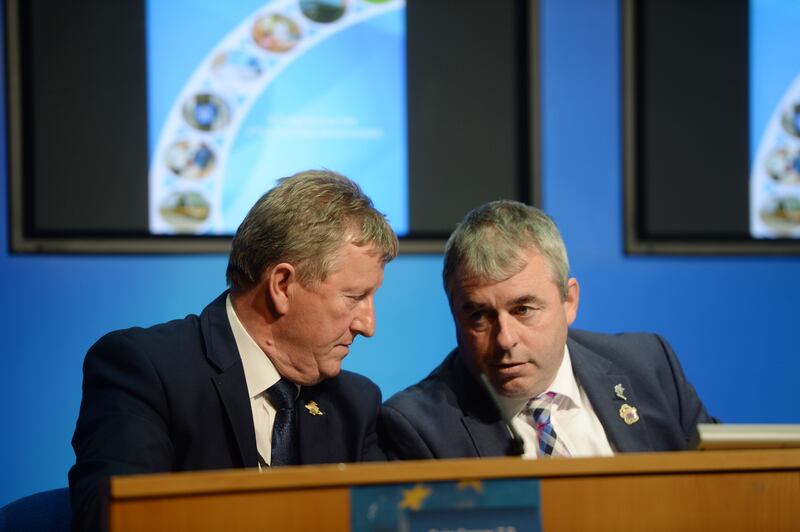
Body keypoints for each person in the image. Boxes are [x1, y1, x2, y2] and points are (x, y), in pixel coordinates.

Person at [69, 170, 398, 531]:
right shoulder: (146, 372)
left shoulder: (354, 403)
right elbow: (117, 522)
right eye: (354, 298)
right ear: (283, 285)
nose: (368, 325)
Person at [379, 200, 715, 460]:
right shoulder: (418, 427)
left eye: (523, 310)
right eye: (479, 316)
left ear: (569, 301)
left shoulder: (648, 366)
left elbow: (727, 484)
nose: (505, 339)